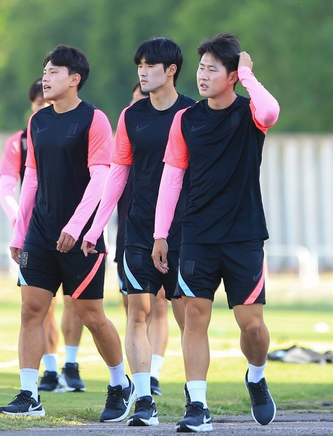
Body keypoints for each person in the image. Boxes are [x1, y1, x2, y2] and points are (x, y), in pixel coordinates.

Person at [0, 45, 134, 421]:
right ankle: (29, 395)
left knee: (91, 315)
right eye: (45, 70)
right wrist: (19, 231)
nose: (46, 76)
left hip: (82, 236)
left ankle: (120, 384)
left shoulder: (94, 119)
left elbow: (101, 178)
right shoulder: (37, 123)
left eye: (54, 71)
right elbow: (32, 180)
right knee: (31, 310)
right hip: (40, 234)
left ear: (74, 79)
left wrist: (77, 227)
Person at [151, 32, 280, 432]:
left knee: (252, 325)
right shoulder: (185, 120)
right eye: (201, 68)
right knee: (195, 318)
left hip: (243, 235)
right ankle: (198, 406)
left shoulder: (249, 114)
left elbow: (272, 111)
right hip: (197, 234)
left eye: (212, 69)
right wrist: (160, 234)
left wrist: (249, 76)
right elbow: (171, 179)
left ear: (232, 76)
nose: (203, 76)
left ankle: (256, 376)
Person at [82, 37, 194, 426]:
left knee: (188, 316)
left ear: (171, 70)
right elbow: (117, 174)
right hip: (138, 229)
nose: (142, 72)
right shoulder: (130, 116)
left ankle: (196, 398)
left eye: (149, 65)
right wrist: (95, 226)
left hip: (185, 230)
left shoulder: (193, 113)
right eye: (139, 66)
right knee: (137, 311)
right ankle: (144, 399)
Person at [114, 83, 169, 398]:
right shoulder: (127, 129)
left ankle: (154, 377)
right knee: (134, 307)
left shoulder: (172, 131)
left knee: (160, 305)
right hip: (130, 230)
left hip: (165, 230)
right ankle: (141, 375)